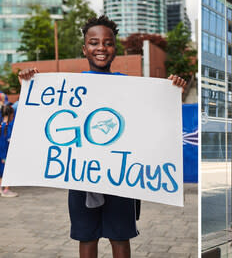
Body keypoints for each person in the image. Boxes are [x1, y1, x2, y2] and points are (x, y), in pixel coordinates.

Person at [18, 15, 186, 258]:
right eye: (94, 42)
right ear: (84, 48)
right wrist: (28, 83)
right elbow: (40, 116)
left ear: (115, 49)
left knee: (120, 237)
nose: (101, 48)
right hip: (81, 178)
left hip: (121, 177)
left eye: (107, 43)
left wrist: (173, 91)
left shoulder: (131, 87)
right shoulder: (68, 86)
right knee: (86, 237)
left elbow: (155, 116)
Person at [0, 104, 18, 198]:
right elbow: (3, 143)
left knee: (3, 173)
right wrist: (3, 156)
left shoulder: (3, 125)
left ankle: (3, 189)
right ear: (10, 114)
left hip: (3, 153)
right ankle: (5, 190)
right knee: (6, 173)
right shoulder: (6, 127)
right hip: (4, 154)